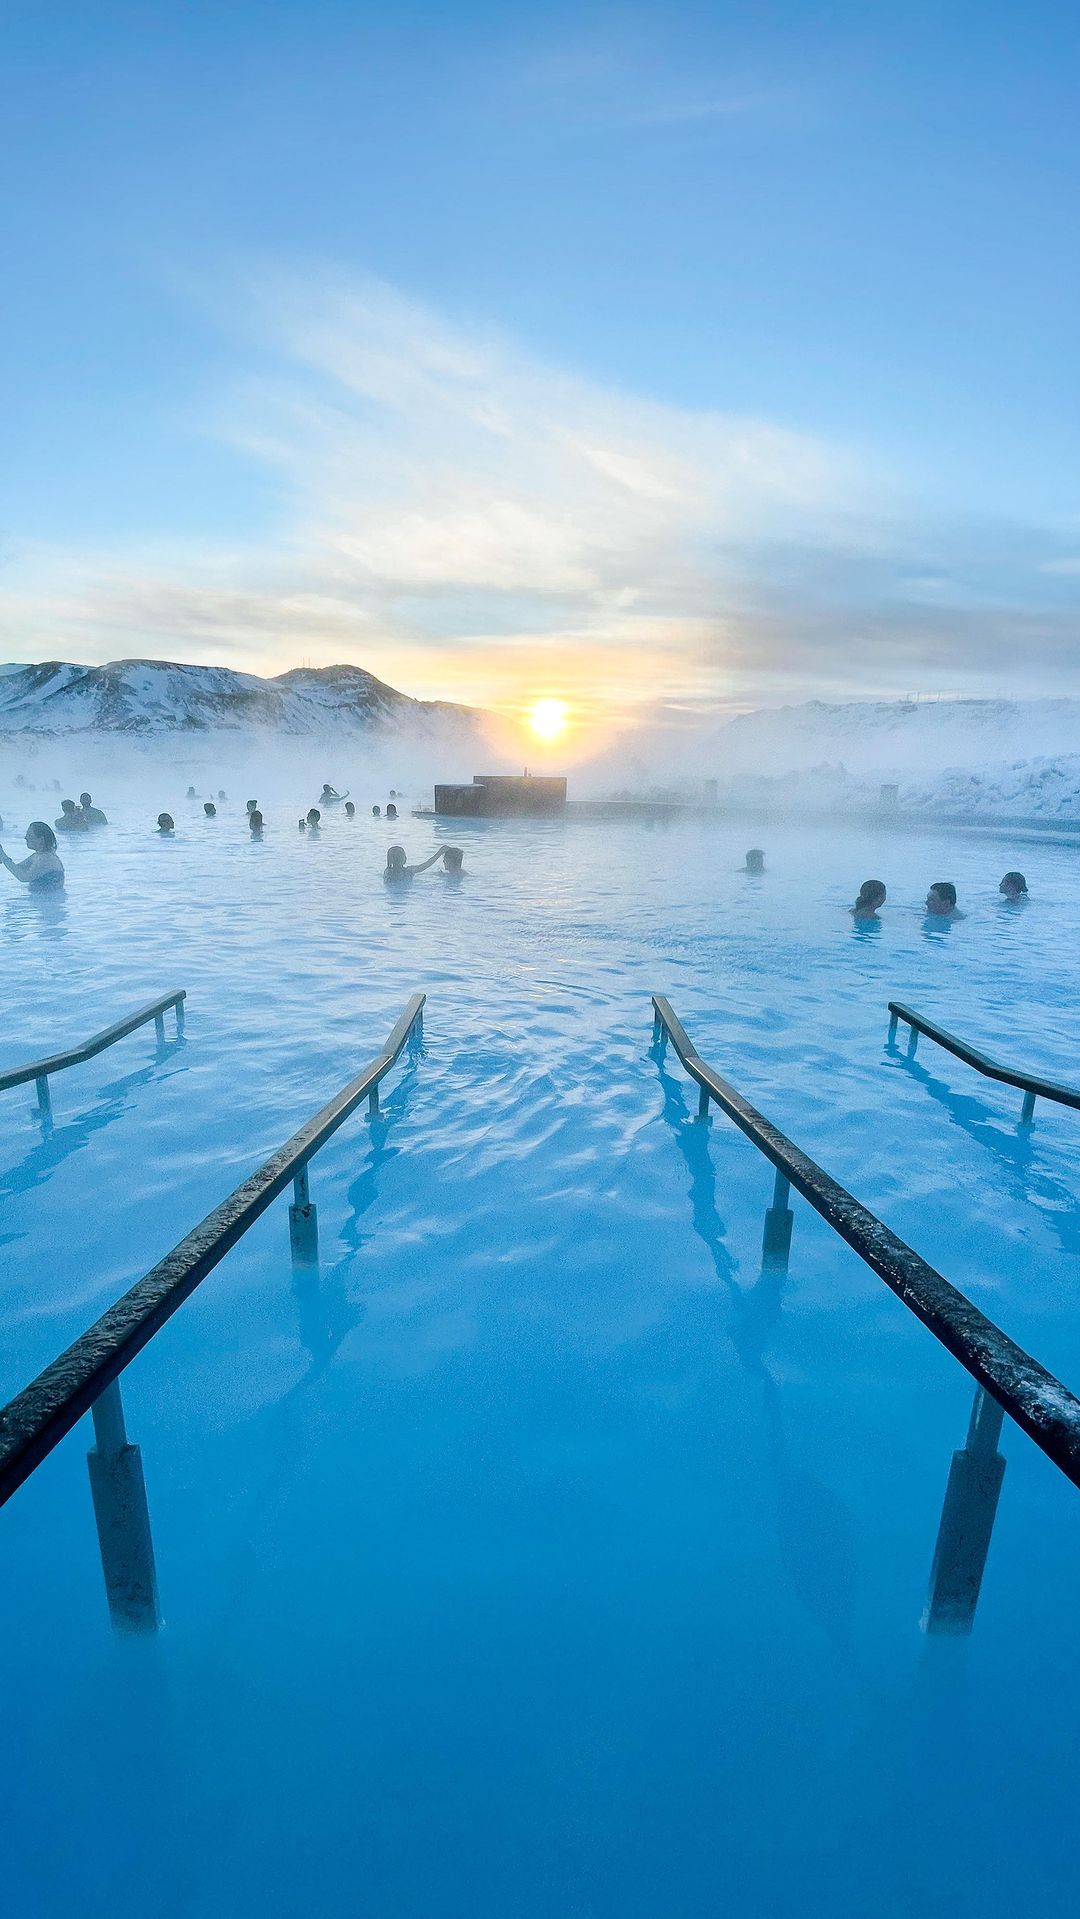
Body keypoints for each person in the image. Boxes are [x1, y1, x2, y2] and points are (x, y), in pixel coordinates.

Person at [1, 821, 65, 891]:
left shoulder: (46, 859)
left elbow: (23, 877)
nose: (25, 838)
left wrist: (3, 856)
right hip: (43, 897)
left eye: (29, 835)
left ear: (41, 839)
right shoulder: (39, 855)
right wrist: (2, 855)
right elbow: (18, 868)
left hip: (47, 899)